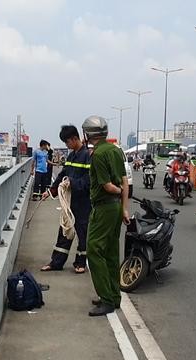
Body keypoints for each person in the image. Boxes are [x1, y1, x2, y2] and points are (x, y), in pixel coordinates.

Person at [84, 115, 129, 317]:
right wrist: (124, 207)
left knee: (94, 250)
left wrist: (118, 192)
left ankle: (106, 299)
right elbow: (124, 181)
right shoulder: (115, 150)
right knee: (111, 251)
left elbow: (109, 186)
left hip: (103, 208)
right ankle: (114, 296)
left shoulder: (98, 154)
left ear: (88, 134)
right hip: (116, 208)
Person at [40, 125, 91, 274]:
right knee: (64, 231)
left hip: (83, 202)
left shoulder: (87, 156)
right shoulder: (71, 156)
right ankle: (56, 262)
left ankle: (81, 263)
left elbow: (88, 181)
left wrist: (72, 183)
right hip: (69, 202)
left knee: (82, 233)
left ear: (75, 139)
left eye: (67, 142)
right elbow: (64, 173)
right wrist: (50, 191)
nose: (66, 145)